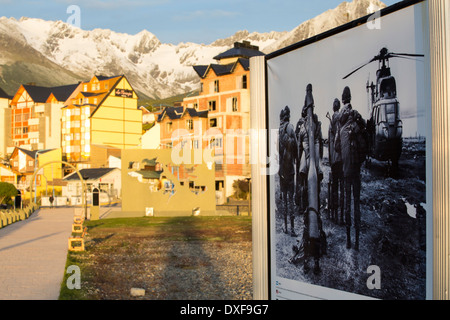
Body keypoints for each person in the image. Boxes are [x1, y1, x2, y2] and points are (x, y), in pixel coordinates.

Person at [336, 86, 365, 250]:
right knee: (357, 204)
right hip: (356, 170)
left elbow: (337, 148)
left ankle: (347, 240)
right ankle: (358, 242)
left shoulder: (340, 125)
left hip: (346, 170)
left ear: (342, 100)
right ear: (351, 99)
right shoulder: (356, 120)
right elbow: (364, 144)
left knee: (347, 203)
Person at [295, 84, 323, 212]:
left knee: (304, 181)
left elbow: (300, 141)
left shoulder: (304, 124)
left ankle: (305, 205)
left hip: (305, 154)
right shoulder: (315, 122)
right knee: (312, 180)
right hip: (310, 154)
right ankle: (309, 205)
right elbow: (319, 141)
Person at [278, 106, 298, 236]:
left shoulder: (278, 130)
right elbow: (296, 146)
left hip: (281, 170)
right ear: (289, 116)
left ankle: (284, 227)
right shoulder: (290, 128)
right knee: (291, 199)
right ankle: (292, 229)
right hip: (289, 169)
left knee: (284, 199)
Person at [328, 98, 344, 225]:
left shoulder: (332, 120)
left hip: (334, 159)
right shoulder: (341, 118)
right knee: (342, 187)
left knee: (334, 187)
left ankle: (334, 215)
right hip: (341, 158)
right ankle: (342, 216)